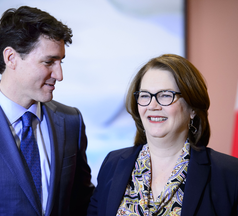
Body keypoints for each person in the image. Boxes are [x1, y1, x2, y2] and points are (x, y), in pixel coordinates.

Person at [0, 6, 94, 216]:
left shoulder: (71, 121)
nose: (60, 74)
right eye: (49, 62)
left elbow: (84, 203)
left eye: (61, 62)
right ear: (11, 58)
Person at [87, 54, 238, 216]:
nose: (152, 105)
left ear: (193, 108)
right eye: (145, 95)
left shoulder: (229, 173)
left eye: (165, 95)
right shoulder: (113, 163)